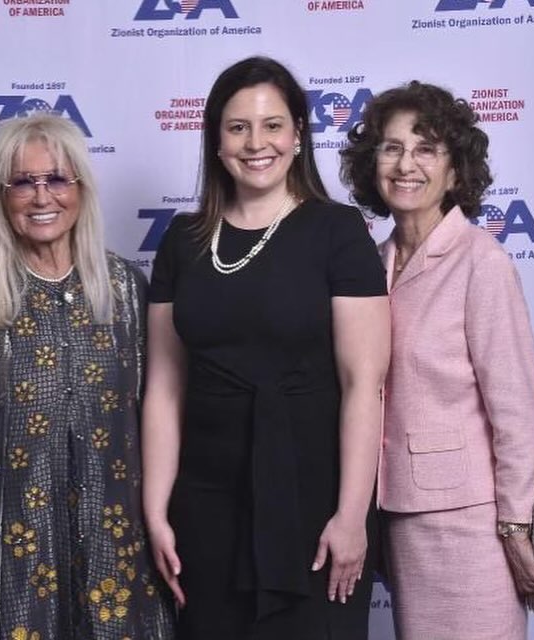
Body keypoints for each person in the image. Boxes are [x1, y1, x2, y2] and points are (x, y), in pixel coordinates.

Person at [142, 55, 391, 639]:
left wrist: (352, 514)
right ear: (216, 140)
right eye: (238, 127)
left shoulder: (338, 231)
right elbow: (163, 389)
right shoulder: (183, 239)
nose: (257, 143)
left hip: (312, 501)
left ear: (298, 135)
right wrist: (156, 510)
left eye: (273, 124)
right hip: (205, 506)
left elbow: (364, 385)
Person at [0, 114, 174, 639]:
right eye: (22, 181)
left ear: (81, 189)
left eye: (57, 179)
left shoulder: (126, 289)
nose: (42, 196)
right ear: (1, 195)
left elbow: (158, 418)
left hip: (118, 552)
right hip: (7, 556)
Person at [339, 80, 534, 640]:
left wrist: (513, 526)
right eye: (391, 147)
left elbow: (518, 413)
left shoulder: (480, 263)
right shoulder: (372, 262)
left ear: (455, 172)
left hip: (471, 525)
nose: (405, 164)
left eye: (426, 149)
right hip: (398, 518)